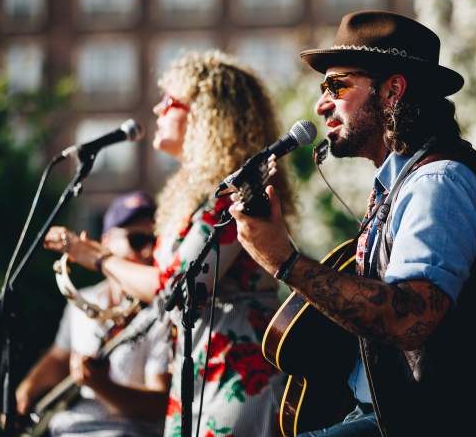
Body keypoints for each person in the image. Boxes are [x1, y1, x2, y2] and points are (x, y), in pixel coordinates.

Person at [230, 11, 476, 436]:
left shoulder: (436, 183)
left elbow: (410, 320)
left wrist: (285, 262)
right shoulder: (404, 183)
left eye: (336, 85)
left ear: (392, 91)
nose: (321, 104)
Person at [44, 50, 294, 437]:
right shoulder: (202, 195)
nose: (158, 108)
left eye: (171, 100)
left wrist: (96, 256)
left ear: (208, 115)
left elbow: (174, 287)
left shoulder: (235, 195)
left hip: (234, 375)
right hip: (196, 370)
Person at [16, 191, 171, 437]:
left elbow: (159, 406)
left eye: (155, 241)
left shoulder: (164, 312)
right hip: (69, 428)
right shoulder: (84, 300)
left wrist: (102, 386)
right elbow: (59, 357)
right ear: (106, 241)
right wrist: (26, 390)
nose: (148, 251)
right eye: (138, 240)